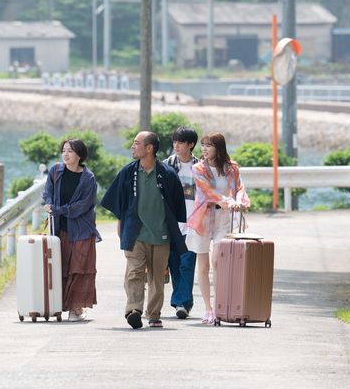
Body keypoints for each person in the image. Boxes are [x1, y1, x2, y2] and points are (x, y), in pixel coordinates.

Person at [100, 131, 187, 329]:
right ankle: (134, 310)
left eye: (137, 143)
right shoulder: (128, 172)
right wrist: (121, 221)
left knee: (157, 278)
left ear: (149, 148)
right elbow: (118, 200)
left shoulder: (167, 174)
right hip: (135, 232)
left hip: (161, 234)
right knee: (134, 272)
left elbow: (176, 206)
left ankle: (154, 314)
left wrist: (176, 231)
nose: (133, 147)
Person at [186, 132, 250, 324]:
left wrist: (239, 201)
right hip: (203, 219)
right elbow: (208, 191)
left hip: (225, 220)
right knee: (203, 265)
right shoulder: (198, 168)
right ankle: (208, 309)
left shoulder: (231, 167)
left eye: (209, 145)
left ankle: (221, 304)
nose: (204, 149)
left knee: (218, 262)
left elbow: (239, 188)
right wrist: (229, 201)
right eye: (203, 145)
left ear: (218, 148)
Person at [43, 139, 101, 322]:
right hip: (60, 229)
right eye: (64, 150)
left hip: (82, 230)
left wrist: (59, 209)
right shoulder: (56, 171)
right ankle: (61, 306)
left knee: (79, 268)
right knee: (61, 268)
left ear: (79, 155)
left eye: (70, 151)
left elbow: (83, 206)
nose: (65, 154)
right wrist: (49, 204)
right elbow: (48, 192)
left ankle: (75, 309)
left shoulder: (88, 178)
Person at [163, 127, 199, 319]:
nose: (176, 145)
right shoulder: (167, 164)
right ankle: (184, 302)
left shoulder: (200, 167)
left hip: (193, 223)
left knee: (187, 262)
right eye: (174, 142)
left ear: (190, 145)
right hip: (172, 223)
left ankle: (180, 303)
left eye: (180, 142)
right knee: (175, 263)